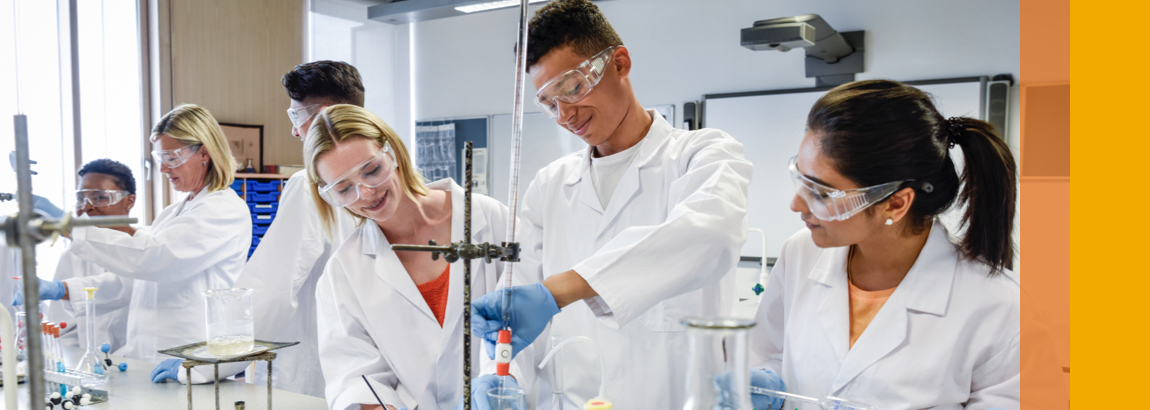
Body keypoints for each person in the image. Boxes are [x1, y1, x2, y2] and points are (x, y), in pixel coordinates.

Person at [468, 1, 753, 408]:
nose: (565, 114)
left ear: (619, 63)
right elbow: (515, 314)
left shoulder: (702, 154)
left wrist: (558, 291)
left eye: (572, 87)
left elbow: (711, 233)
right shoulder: (549, 186)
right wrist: (503, 378)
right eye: (549, 103)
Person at [748, 80, 1030, 409]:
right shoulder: (800, 254)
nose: (796, 204)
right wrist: (761, 380)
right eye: (801, 179)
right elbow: (769, 354)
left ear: (895, 204)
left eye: (821, 193)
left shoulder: (997, 305)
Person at [152, 61, 364, 396]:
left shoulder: (311, 183)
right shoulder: (390, 174)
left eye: (296, 117)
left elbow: (272, 290)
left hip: (320, 373)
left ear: (324, 114)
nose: (295, 131)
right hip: (370, 374)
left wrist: (209, 365)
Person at [306, 105, 517, 410]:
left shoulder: (488, 218)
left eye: (372, 170)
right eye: (344, 188)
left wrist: (504, 386)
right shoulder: (343, 273)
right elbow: (353, 379)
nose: (365, 193)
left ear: (393, 153)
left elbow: (531, 321)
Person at [23, 104, 252, 383]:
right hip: (148, 359)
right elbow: (134, 282)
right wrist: (61, 289)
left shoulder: (222, 209)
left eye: (172, 157)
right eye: (160, 157)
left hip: (189, 360)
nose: (164, 168)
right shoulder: (174, 212)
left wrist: (69, 227)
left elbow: (152, 259)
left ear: (204, 152)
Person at [48, 159, 136, 351]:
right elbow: (62, 329)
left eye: (100, 197)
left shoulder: (152, 248)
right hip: (91, 370)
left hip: (145, 365)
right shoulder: (71, 257)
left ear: (130, 201)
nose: (86, 207)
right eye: (81, 198)